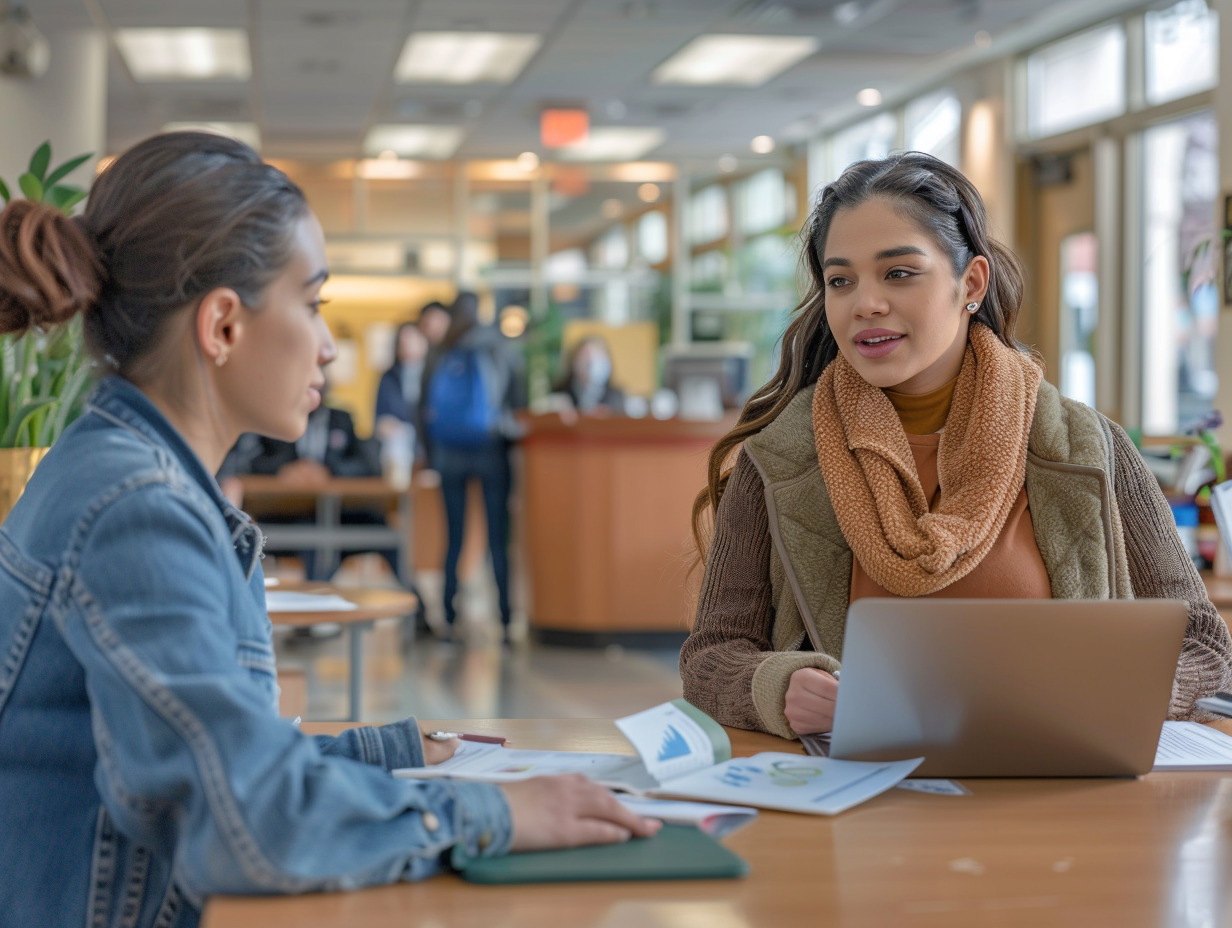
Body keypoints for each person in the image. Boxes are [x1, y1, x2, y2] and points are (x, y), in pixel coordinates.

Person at [0, 131, 657, 928]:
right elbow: (252, 823)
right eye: (312, 305)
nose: (328, 346)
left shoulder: (122, 468)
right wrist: (499, 818)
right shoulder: (136, 507)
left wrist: (388, 752)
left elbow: (208, 763)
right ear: (223, 327)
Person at [680, 151, 1232, 741]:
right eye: (840, 280)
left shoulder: (1087, 447)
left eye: (898, 273)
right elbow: (712, 656)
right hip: (861, 806)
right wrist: (778, 687)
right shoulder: (781, 459)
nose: (864, 301)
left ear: (970, 282)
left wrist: (1111, 687)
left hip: (1062, 798)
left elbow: (1203, 645)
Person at [422, 291, 520, 643]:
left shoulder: (440, 350)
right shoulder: (497, 346)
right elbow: (516, 402)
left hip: (449, 454)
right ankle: (506, 622)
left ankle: (448, 618)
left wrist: (432, 455)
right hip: (492, 451)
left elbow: (423, 409)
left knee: (454, 538)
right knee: (498, 540)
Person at [244, 388, 396, 584]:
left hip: (340, 513)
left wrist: (330, 472)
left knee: (382, 531)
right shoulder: (276, 419)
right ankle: (316, 597)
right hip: (286, 513)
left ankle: (419, 607)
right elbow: (252, 462)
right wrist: (286, 470)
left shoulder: (341, 419)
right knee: (312, 536)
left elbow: (367, 466)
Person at [374, 318, 431, 459]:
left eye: (412, 340)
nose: (407, 345)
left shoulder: (434, 374)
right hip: (398, 450)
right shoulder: (389, 378)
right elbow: (380, 418)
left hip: (430, 448)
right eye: (402, 342)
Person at [551, 336, 625, 415]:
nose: (590, 362)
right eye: (585, 356)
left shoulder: (616, 397)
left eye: (597, 355)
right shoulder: (560, 394)